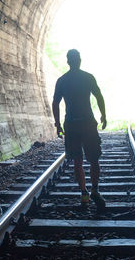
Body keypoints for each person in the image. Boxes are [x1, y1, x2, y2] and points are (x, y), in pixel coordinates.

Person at [52, 49, 107, 208]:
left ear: (68, 61)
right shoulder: (88, 77)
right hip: (88, 123)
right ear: (80, 60)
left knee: (77, 160)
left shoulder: (62, 80)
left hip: (71, 124)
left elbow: (55, 103)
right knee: (94, 159)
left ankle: (84, 194)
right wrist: (103, 116)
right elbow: (99, 96)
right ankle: (95, 190)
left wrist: (58, 124)